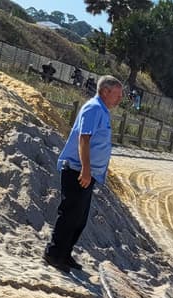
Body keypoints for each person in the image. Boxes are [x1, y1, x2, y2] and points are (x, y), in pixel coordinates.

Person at [44, 75, 122, 272]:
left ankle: (65, 253)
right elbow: (84, 139)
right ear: (105, 91)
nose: (119, 99)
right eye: (117, 95)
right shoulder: (94, 108)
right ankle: (54, 254)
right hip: (78, 170)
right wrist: (86, 169)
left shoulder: (102, 111)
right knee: (69, 214)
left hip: (89, 172)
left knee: (79, 218)